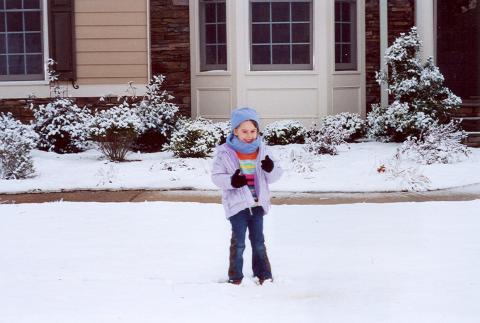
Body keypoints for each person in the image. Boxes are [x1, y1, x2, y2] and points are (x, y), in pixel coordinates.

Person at [211, 107, 283, 285]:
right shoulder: (225, 152)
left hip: (258, 204)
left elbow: (275, 176)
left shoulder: (263, 150)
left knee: (259, 242)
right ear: (235, 130)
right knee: (239, 243)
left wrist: (270, 169)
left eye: (253, 131)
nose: (249, 135)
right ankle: (235, 277)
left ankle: (263, 274)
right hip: (237, 206)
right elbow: (216, 177)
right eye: (244, 131)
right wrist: (232, 181)